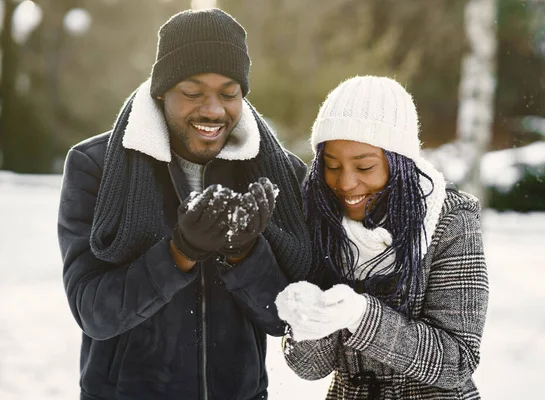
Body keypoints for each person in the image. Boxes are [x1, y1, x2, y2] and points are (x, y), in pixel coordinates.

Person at [57, 8, 312, 400]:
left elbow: (285, 318)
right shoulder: (95, 166)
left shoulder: (278, 174)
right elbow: (94, 311)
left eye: (229, 94)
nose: (212, 110)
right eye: (193, 93)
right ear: (162, 91)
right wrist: (179, 253)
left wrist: (245, 255)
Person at [275, 76, 489, 399]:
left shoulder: (450, 223)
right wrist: (307, 323)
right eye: (332, 166)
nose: (345, 183)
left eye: (364, 167)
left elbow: (456, 361)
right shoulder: (321, 220)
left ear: (399, 162)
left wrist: (362, 316)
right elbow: (311, 368)